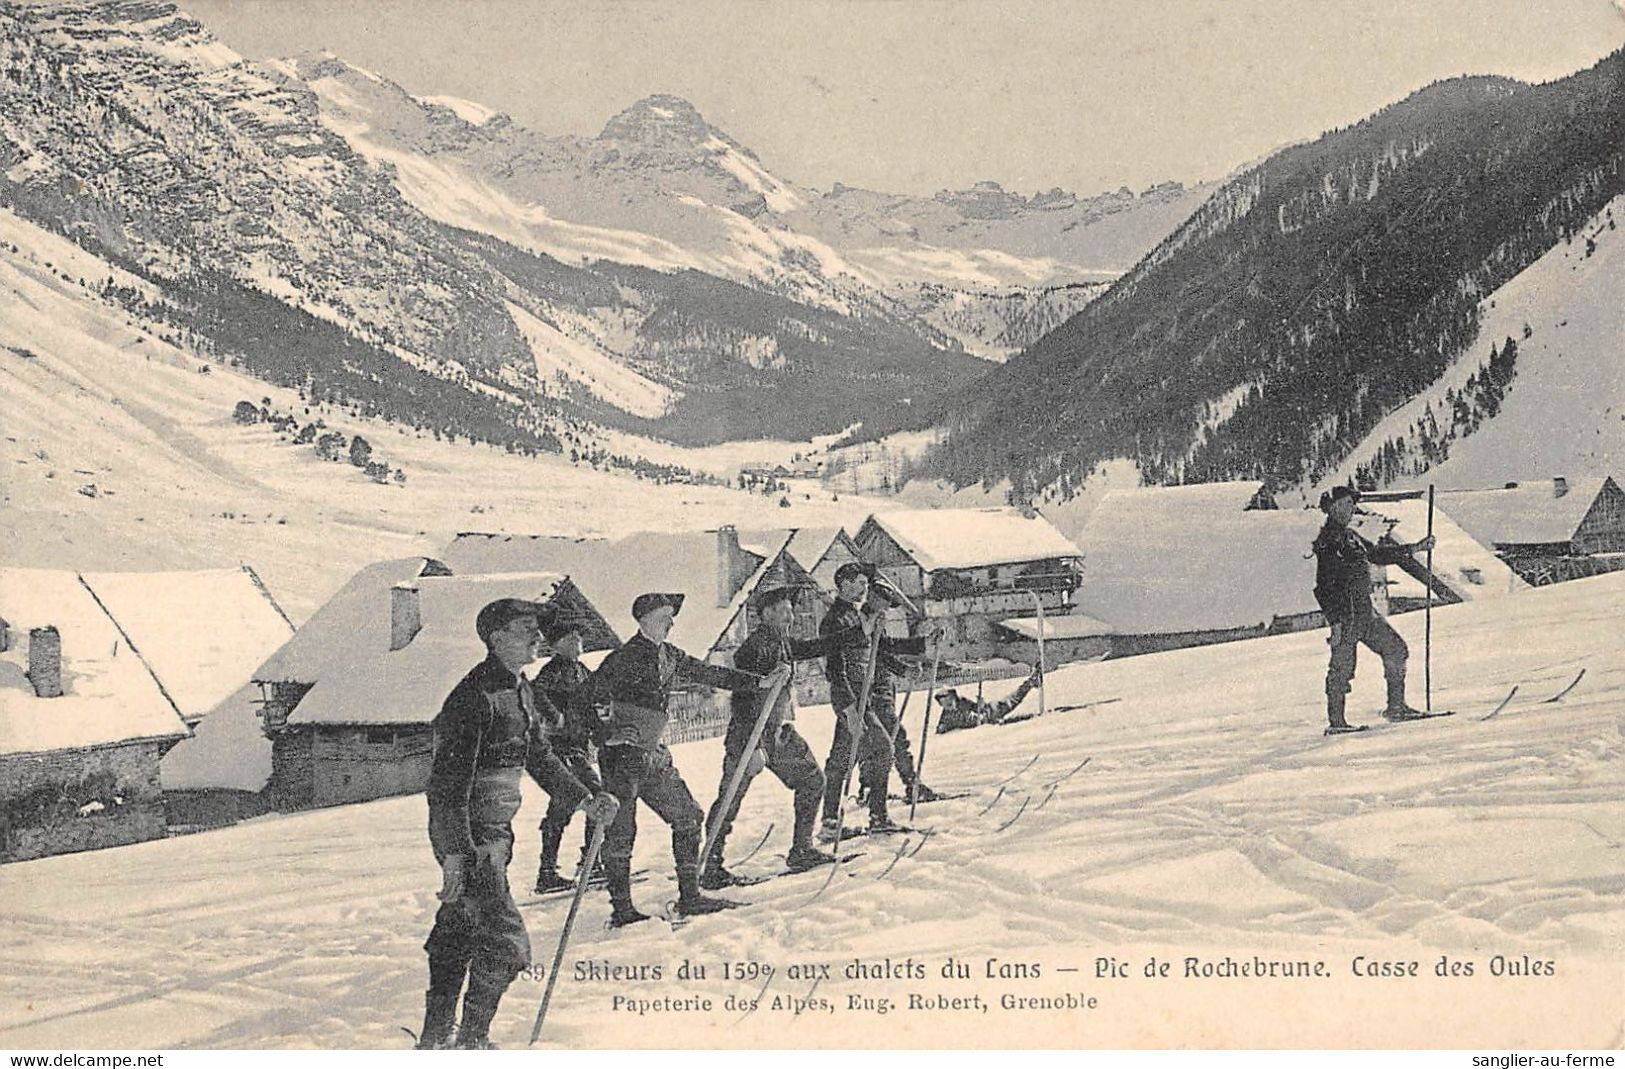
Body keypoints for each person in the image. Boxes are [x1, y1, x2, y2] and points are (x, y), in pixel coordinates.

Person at [418, 598, 620, 1050]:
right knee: (508, 945)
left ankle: (434, 1041)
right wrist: (455, 855)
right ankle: (472, 1042)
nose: (537, 637)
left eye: (537, 628)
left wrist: (585, 799)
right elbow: (447, 788)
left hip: (495, 834)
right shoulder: (473, 699)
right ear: (497, 638)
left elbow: (540, 759)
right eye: (526, 628)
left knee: (459, 931)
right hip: (470, 837)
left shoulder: (520, 689)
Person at [581, 592, 790, 926]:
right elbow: (583, 699)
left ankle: (690, 897)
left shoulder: (669, 655)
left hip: (654, 755)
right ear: (644, 619)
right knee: (622, 832)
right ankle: (622, 911)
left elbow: (709, 673)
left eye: (670, 616)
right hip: (622, 760)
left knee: (689, 816)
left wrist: (758, 682)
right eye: (664, 616)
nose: (671, 622)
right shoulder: (621, 658)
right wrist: (606, 735)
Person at [701, 585, 856, 888]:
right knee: (730, 799)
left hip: (777, 734)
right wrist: (755, 746)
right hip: (749, 736)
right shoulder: (755, 647)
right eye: (785, 610)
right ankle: (710, 867)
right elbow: (743, 699)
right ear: (767, 613)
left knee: (812, 780)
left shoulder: (781, 642)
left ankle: (802, 850)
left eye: (792, 609)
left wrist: (853, 633)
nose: (792, 615)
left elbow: (812, 647)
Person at [817, 563, 932, 839]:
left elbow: (876, 654)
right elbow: (835, 669)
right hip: (852, 699)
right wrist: (849, 708)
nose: (864, 587)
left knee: (841, 760)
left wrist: (906, 667)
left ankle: (830, 823)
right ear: (842, 583)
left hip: (860, 698)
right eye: (857, 582)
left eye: (865, 583)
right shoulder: (835, 621)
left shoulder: (854, 618)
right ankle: (877, 817)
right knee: (881, 749)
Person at [1312, 485, 1436, 734]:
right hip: (1346, 618)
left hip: (1365, 613)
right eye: (1347, 504)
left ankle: (1396, 708)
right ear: (1333, 507)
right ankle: (1337, 723)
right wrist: (1335, 622)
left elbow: (1378, 554)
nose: (1351, 509)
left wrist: (1415, 548)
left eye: (1352, 504)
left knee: (1396, 649)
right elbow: (1323, 588)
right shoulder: (1328, 542)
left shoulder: (1351, 537)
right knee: (1342, 669)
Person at [531, 618, 602, 895]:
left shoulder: (582, 670)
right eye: (572, 640)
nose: (578, 644)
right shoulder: (553, 670)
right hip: (562, 748)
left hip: (579, 745)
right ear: (557, 645)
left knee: (563, 806)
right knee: (597, 797)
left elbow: (596, 694)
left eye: (579, 640)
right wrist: (556, 717)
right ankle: (590, 864)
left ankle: (548, 873)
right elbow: (536, 692)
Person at [934, 670, 1041, 733]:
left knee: (1012, 701)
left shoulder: (962, 703)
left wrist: (981, 709)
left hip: (991, 711)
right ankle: (1031, 682)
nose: (948, 706)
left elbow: (976, 715)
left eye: (949, 701)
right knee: (1012, 704)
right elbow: (942, 727)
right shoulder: (948, 713)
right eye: (944, 704)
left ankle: (1031, 682)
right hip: (989, 716)